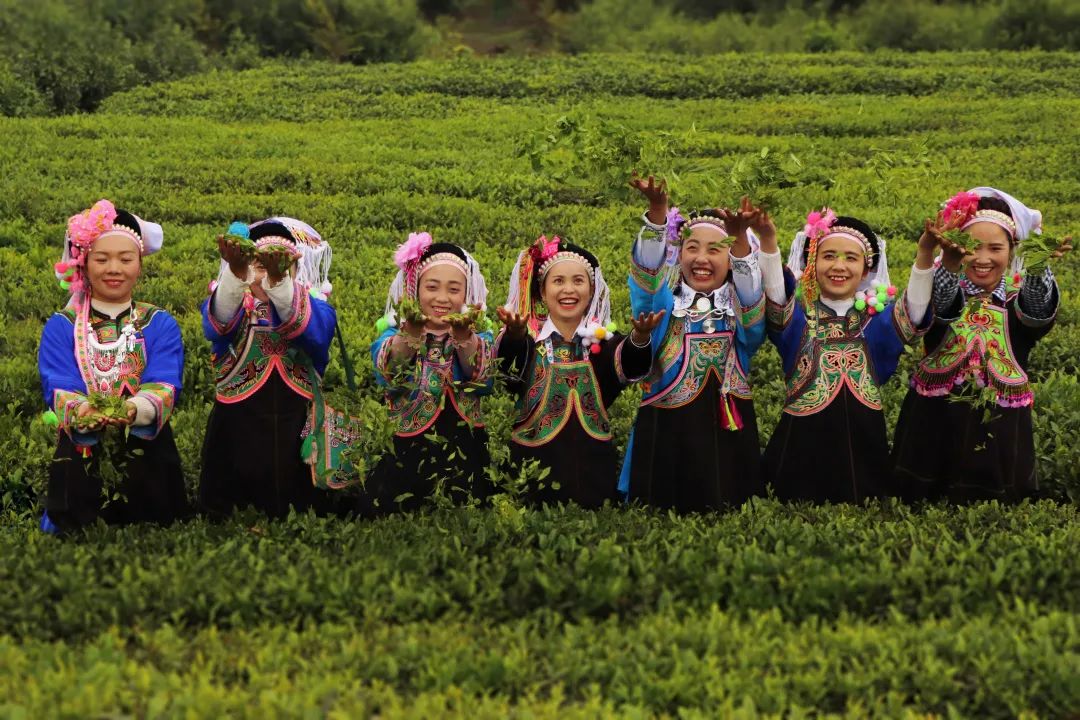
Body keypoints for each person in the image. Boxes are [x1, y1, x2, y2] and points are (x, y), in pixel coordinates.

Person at [892, 188, 1071, 502]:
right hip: (935, 417)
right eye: (972, 247)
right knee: (923, 491)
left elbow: (1038, 312)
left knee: (997, 491)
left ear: (1013, 249)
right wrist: (947, 263)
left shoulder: (1017, 299)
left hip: (1001, 422)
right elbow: (941, 305)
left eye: (996, 248)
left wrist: (1038, 265)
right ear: (957, 246)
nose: (983, 258)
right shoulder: (948, 288)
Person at [758, 207, 933, 502]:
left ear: (866, 270)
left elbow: (914, 312)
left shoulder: (876, 321)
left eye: (850, 258)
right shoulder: (799, 317)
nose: (839, 265)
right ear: (811, 264)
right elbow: (775, 294)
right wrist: (768, 240)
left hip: (864, 445)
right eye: (828, 256)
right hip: (801, 444)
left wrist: (925, 252)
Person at [38, 199, 187, 533]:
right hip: (82, 449)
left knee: (156, 527)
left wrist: (134, 410)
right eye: (102, 259)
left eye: (125, 258)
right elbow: (57, 382)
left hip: (147, 448)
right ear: (84, 264)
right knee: (77, 527)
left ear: (140, 264)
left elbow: (164, 380)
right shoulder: (63, 325)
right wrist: (84, 410)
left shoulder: (158, 323)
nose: (114, 268)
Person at [620, 175, 767, 512]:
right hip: (668, 435)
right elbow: (646, 279)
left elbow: (756, 326)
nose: (702, 257)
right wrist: (658, 211)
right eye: (692, 247)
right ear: (678, 253)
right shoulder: (663, 304)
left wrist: (742, 238)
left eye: (717, 249)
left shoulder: (738, 309)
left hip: (726, 435)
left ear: (732, 261)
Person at [496, 235, 664, 507]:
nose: (568, 290)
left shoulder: (603, 343)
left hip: (593, 474)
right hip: (533, 471)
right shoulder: (530, 342)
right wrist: (514, 336)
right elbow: (508, 374)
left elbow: (628, 364)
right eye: (558, 281)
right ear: (542, 290)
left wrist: (640, 337)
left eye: (578, 281)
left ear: (591, 290)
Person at [199, 217, 338, 517]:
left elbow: (316, 335)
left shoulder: (314, 307)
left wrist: (279, 284)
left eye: (282, 268)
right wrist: (235, 275)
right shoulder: (235, 302)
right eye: (260, 266)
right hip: (239, 418)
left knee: (297, 491)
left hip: (294, 416)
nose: (268, 276)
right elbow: (216, 326)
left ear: (297, 273)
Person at [364, 232, 493, 514]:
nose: (442, 298)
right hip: (406, 444)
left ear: (467, 294)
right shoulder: (395, 332)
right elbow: (387, 376)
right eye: (432, 287)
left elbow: (483, 380)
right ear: (415, 289)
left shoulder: (480, 335)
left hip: (464, 444)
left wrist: (463, 338)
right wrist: (409, 335)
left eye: (454, 289)